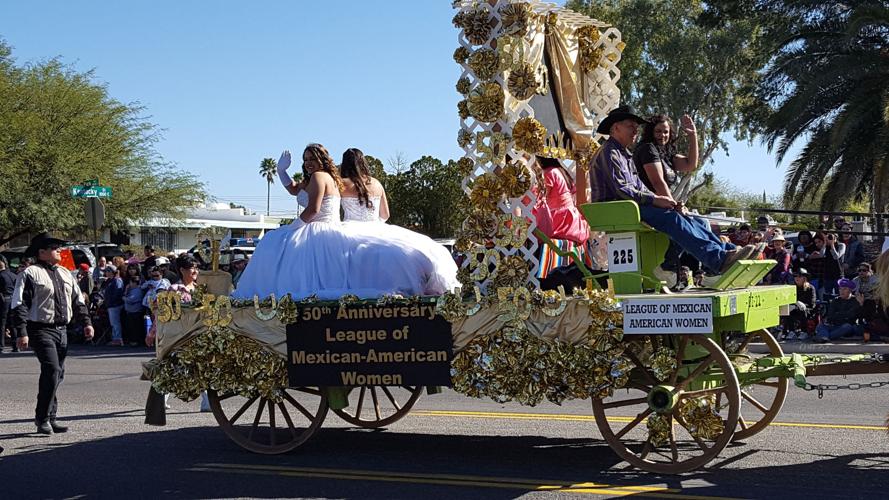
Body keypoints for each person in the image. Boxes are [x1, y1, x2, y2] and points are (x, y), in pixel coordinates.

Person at [588, 106, 754, 274]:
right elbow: (622, 190)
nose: (636, 131)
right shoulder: (609, 152)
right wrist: (656, 200)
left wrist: (667, 202)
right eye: (631, 126)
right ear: (616, 128)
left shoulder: (625, 155)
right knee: (673, 219)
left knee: (691, 220)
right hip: (616, 209)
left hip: (629, 207)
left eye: (637, 127)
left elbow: (640, 186)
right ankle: (717, 261)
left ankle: (728, 252)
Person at [337, 147, 459, 294]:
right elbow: (385, 214)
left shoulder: (342, 184)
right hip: (376, 225)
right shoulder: (376, 183)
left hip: (350, 227)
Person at [10, 233, 94, 434]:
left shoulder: (66, 273)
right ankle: (42, 418)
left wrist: (87, 323)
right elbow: (19, 304)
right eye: (55, 248)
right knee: (52, 370)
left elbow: (78, 301)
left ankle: (51, 416)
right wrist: (21, 332)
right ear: (42, 252)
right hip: (40, 329)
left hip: (62, 330)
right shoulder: (30, 273)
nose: (59, 251)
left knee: (57, 374)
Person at [814, 278, 862, 343]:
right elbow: (831, 316)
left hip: (847, 326)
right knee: (821, 326)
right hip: (835, 325)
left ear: (850, 290)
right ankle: (824, 337)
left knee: (847, 326)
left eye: (844, 289)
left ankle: (824, 336)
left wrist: (838, 314)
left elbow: (851, 315)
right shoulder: (836, 300)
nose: (841, 291)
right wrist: (844, 315)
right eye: (840, 289)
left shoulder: (855, 300)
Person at [809, 232, 845, 299]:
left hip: (838, 275)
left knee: (839, 295)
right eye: (828, 238)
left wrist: (832, 245)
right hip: (827, 276)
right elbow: (821, 255)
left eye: (831, 237)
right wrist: (825, 244)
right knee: (827, 296)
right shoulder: (825, 247)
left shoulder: (841, 245)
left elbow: (836, 256)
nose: (830, 239)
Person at [783, 269, 817, 340]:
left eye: (799, 276)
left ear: (804, 278)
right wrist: (795, 304)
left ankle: (804, 331)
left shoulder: (810, 288)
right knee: (787, 309)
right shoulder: (792, 288)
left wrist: (801, 305)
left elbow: (812, 304)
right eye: (795, 276)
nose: (797, 278)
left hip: (808, 310)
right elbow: (788, 299)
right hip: (794, 308)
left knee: (802, 310)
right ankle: (791, 331)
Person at [122, 264, 146, 347]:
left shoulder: (138, 289)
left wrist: (124, 298)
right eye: (130, 269)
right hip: (130, 311)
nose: (131, 271)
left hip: (136, 311)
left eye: (133, 269)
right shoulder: (130, 288)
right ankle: (132, 340)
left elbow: (131, 300)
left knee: (136, 327)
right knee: (131, 326)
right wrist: (126, 290)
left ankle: (137, 341)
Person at [101, 265, 125, 346]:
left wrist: (111, 301)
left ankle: (118, 339)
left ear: (113, 272)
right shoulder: (109, 281)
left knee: (115, 323)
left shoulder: (117, 280)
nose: (106, 273)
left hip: (115, 305)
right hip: (110, 305)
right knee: (113, 323)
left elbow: (118, 292)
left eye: (108, 271)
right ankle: (115, 338)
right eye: (106, 271)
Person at [0, 259, 16, 353]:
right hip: (13, 301)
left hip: (3, 301)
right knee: (12, 323)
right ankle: (15, 346)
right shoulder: (13, 275)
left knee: (2, 324)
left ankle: (1, 346)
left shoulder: (1, 275)